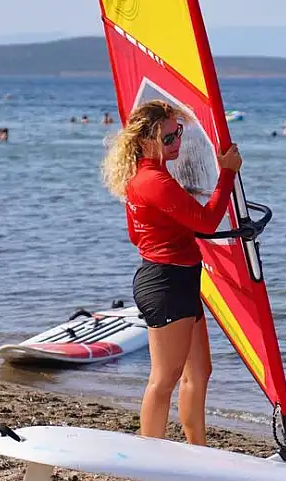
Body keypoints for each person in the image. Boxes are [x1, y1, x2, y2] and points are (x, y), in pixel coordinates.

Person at [101, 99, 242, 445]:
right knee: (165, 378)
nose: (176, 143)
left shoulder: (148, 177)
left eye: (177, 134)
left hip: (179, 279)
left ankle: (199, 452)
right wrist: (227, 172)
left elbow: (137, 234)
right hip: (165, 283)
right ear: (146, 140)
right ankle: (148, 462)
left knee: (199, 372)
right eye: (167, 139)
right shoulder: (153, 181)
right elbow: (207, 222)